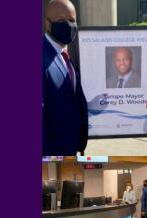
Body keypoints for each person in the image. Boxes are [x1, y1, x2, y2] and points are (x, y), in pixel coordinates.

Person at [43, 0, 88, 156]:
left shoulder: (67, 53)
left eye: (71, 20)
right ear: (47, 24)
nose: (68, 25)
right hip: (54, 152)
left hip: (72, 148)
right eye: (61, 21)